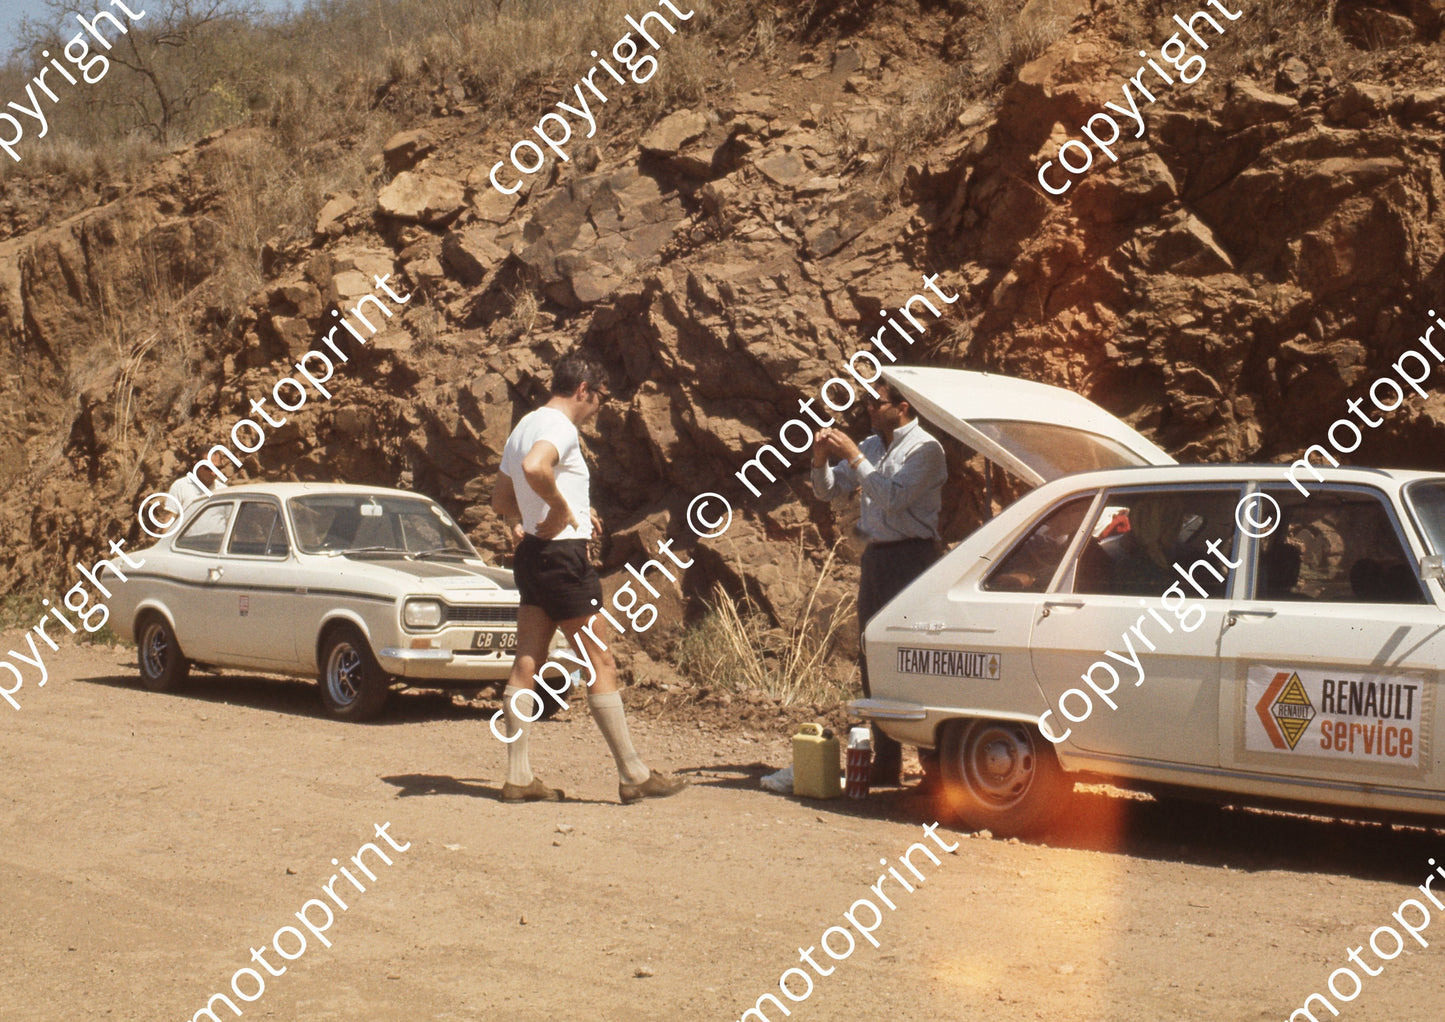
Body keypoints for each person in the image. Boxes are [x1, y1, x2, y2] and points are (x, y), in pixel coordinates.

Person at [490, 351, 686, 805]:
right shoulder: (559, 427)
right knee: (601, 663)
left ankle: (518, 777)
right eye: (600, 398)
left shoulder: (524, 425)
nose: (600, 407)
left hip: (534, 556)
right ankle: (633, 774)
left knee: (526, 663)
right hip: (564, 559)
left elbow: (502, 501)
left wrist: (569, 510)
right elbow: (536, 469)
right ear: (583, 390)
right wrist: (562, 512)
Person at [811, 379, 948, 786]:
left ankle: (934, 766)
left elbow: (892, 497)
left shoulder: (926, 449)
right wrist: (820, 460)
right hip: (879, 558)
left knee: (916, 656)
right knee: (874, 653)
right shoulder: (873, 445)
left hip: (914, 558)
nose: (869, 408)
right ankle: (886, 759)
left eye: (877, 402)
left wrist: (853, 456)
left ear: (902, 407)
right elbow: (829, 493)